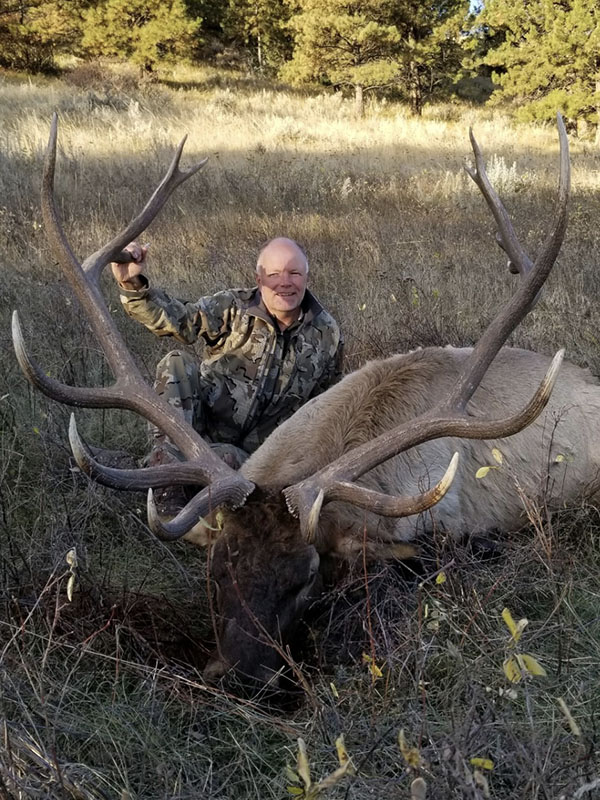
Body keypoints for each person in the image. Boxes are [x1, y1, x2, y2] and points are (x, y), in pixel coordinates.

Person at [111, 238, 343, 497]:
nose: (285, 282)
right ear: (259, 280)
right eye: (274, 274)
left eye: (294, 273)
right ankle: (167, 478)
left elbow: (327, 407)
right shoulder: (233, 307)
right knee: (175, 362)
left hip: (254, 461)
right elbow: (180, 320)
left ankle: (178, 476)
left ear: (307, 278)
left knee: (229, 461)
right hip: (197, 434)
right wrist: (131, 283)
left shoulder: (327, 334)